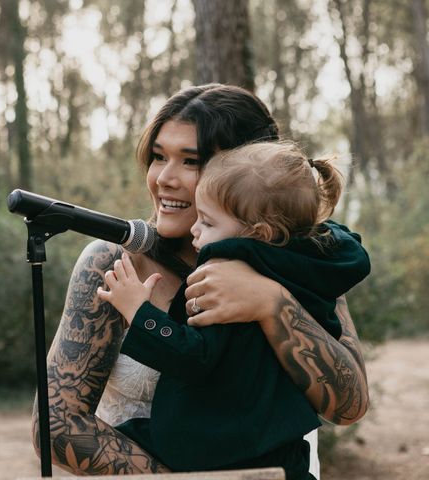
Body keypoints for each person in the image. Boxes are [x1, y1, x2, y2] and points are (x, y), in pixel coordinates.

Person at [31, 84, 369, 477]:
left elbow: (348, 406)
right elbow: (56, 426)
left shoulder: (299, 260)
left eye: (190, 161)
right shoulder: (112, 263)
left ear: (245, 171)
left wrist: (272, 303)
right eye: (158, 157)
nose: (163, 178)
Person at [95, 142, 371, 478]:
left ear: (259, 232)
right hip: (277, 449)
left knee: (124, 435)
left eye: (207, 223)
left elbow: (196, 357)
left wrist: (139, 312)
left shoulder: (228, 273)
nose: (197, 229)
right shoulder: (311, 263)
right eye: (158, 156)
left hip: (221, 448)